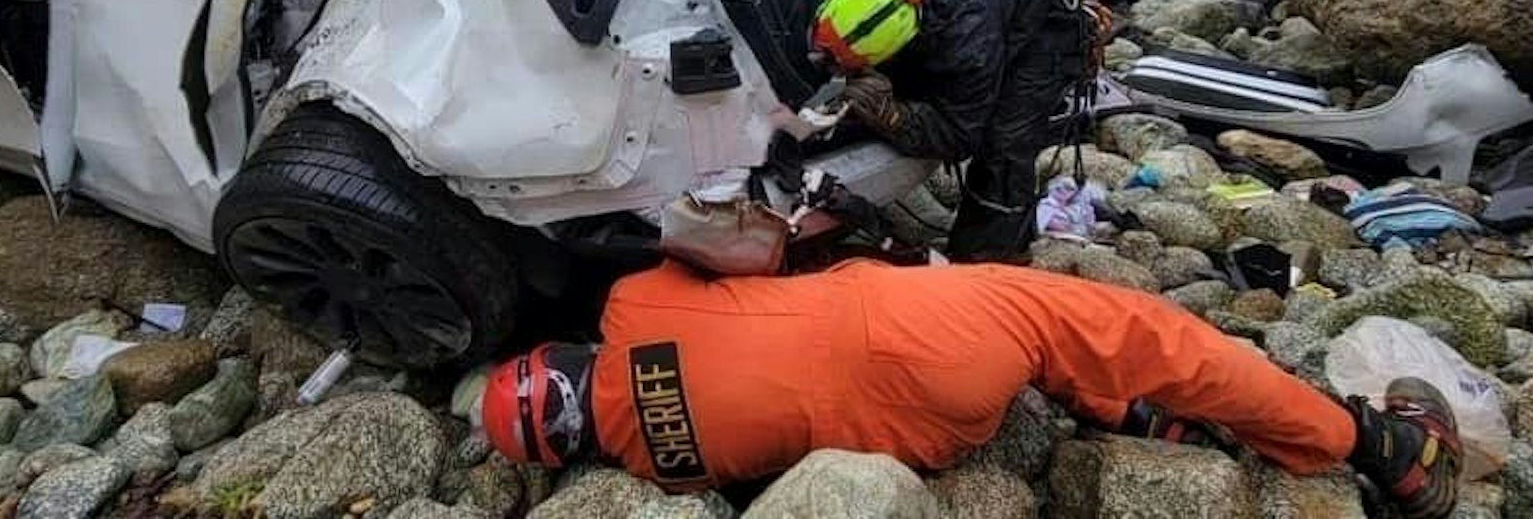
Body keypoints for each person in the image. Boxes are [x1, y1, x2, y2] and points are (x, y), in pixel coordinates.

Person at [475, 258, 1462, 519]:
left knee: (1045, 363)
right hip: (920, 331)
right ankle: (1376, 449)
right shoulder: (634, 306)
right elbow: (746, 248)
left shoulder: (665, 469)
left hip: (936, 436)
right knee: (1141, 332)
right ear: (558, 357)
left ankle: (1135, 418)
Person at [798, 0, 1095, 261]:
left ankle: (985, 260)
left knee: (1004, 147)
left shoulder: (968, 43)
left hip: (1043, 13)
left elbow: (959, 134)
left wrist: (892, 116)